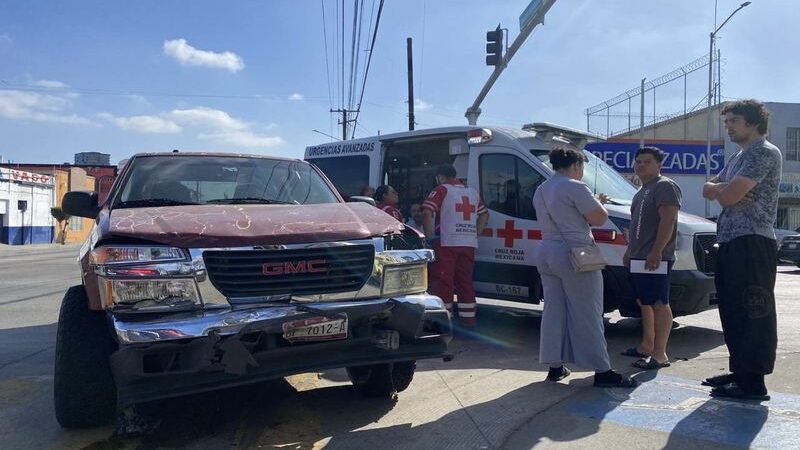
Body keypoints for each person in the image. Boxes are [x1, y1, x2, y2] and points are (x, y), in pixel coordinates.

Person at [533, 147, 637, 388]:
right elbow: (599, 218)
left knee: (554, 311)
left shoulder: (541, 189)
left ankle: (554, 366)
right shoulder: (575, 186)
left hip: (546, 250)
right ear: (576, 166)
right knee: (588, 312)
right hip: (575, 252)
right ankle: (602, 370)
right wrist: (598, 203)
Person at [701, 99, 781, 401]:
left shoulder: (763, 152)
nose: (729, 127)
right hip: (732, 241)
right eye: (727, 122)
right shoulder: (739, 156)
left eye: (733, 120)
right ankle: (740, 371)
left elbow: (729, 195)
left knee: (754, 308)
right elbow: (709, 189)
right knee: (733, 309)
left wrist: (724, 190)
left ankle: (754, 381)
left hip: (753, 241)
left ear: (752, 122)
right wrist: (722, 189)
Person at [621, 147, 682, 370]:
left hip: (656, 257)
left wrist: (656, 251)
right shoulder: (641, 190)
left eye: (647, 161)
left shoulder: (665, 186)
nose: (641, 165)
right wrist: (630, 251)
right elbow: (638, 226)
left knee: (658, 303)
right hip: (638, 257)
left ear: (659, 165)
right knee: (643, 302)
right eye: (638, 162)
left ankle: (659, 354)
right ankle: (646, 347)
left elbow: (668, 221)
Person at [423, 164, 489, 328]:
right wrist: (475, 233)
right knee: (465, 281)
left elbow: (427, 211)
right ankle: (469, 320)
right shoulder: (472, 192)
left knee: (444, 281)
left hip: (447, 242)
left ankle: (444, 322)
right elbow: (484, 214)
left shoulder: (441, 190)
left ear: (440, 177)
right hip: (468, 243)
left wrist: (428, 236)